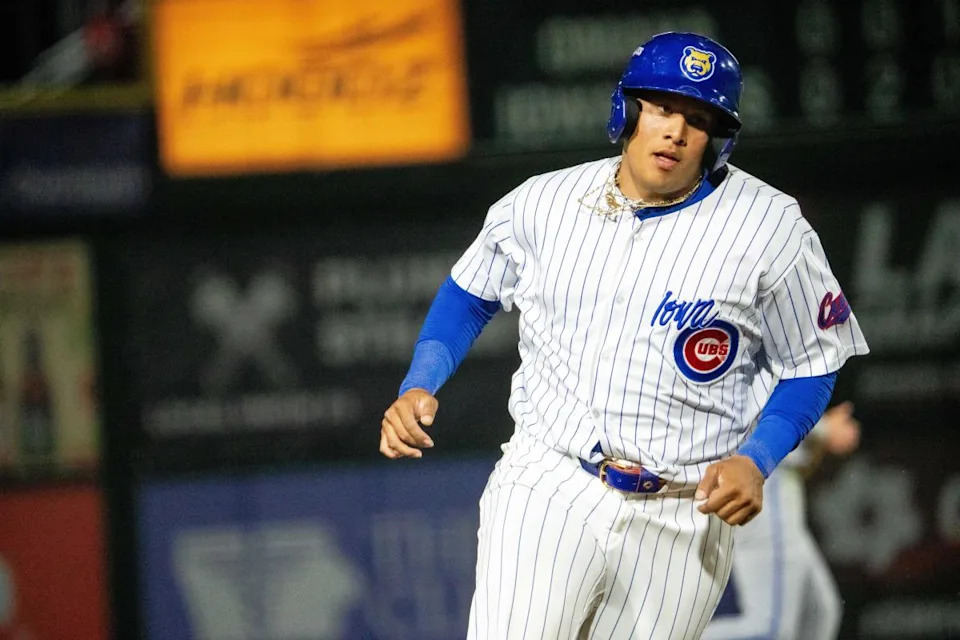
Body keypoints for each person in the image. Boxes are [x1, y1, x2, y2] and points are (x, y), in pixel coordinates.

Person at [379, 31, 869, 640]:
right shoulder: (544, 203)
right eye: (662, 107)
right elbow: (467, 294)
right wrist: (419, 383)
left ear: (718, 137)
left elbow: (812, 361)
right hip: (551, 481)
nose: (676, 131)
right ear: (628, 110)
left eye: (699, 117)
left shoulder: (771, 227)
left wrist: (757, 458)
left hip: (684, 512)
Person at [703, 401, 862, 640]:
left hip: (781, 496)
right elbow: (753, 410)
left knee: (819, 612)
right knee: (769, 630)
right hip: (764, 491)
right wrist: (825, 428)